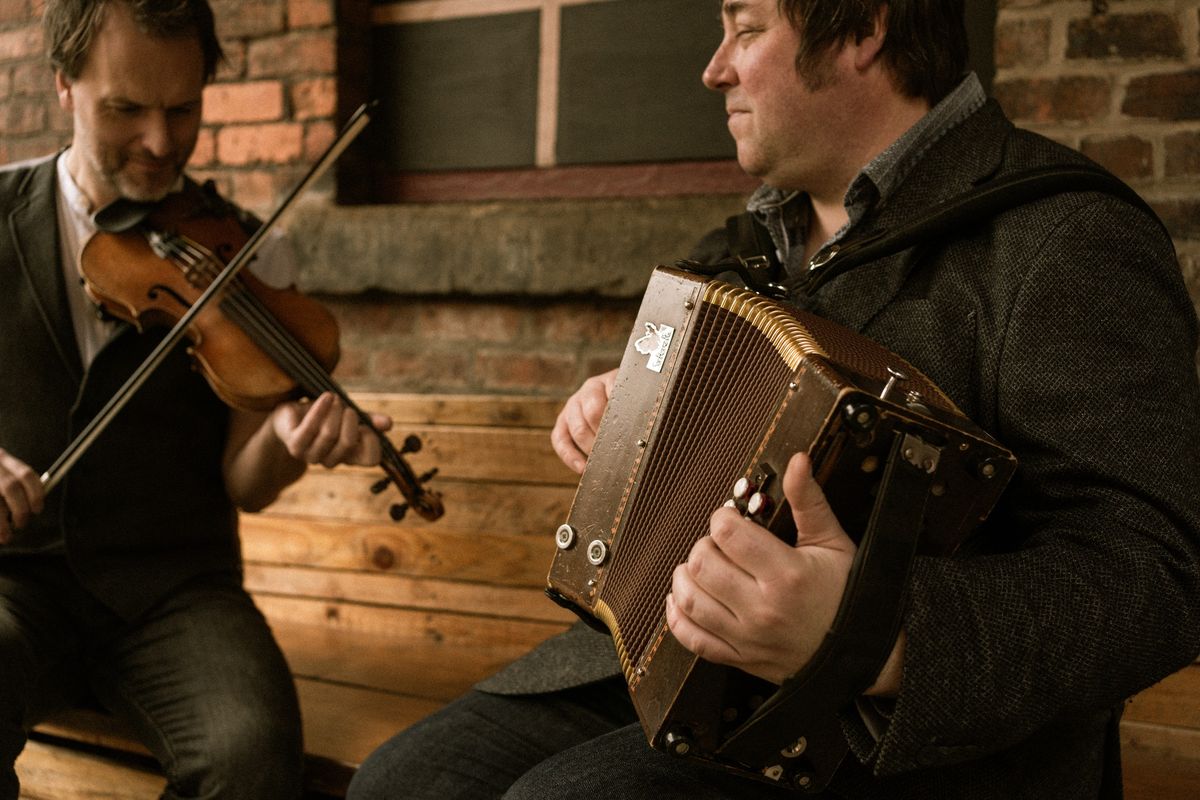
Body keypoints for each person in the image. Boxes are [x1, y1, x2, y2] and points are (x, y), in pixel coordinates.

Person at [347, 1, 1200, 798]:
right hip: (655, 662)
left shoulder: (1068, 240)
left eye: (745, 28)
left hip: (892, 737)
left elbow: (1156, 577)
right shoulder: (757, 239)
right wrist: (627, 410)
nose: (714, 69)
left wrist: (872, 635)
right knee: (401, 782)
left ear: (864, 29)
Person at [0, 1, 394, 797]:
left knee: (251, 752)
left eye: (183, 109)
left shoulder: (247, 252)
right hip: (15, 582)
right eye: (126, 109)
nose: (159, 141)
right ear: (64, 86)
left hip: (173, 592)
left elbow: (243, 481)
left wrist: (288, 440)